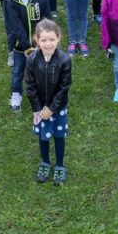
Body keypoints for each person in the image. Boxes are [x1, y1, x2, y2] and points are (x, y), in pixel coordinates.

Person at [24, 19, 73, 185]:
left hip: (58, 108)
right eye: (43, 40)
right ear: (37, 40)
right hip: (40, 108)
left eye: (51, 39)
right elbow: (29, 86)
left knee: (59, 137)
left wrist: (52, 108)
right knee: (43, 137)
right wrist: (38, 109)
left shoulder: (64, 60)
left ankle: (59, 165)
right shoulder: (31, 60)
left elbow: (64, 87)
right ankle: (45, 162)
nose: (48, 44)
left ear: (58, 38)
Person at [4, 0, 50, 113]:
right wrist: (25, 45)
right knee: (18, 71)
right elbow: (14, 25)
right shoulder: (11, 1)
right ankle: (16, 94)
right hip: (20, 47)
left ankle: (40, 95)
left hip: (39, 45)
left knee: (40, 71)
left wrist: (41, 41)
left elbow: (46, 20)